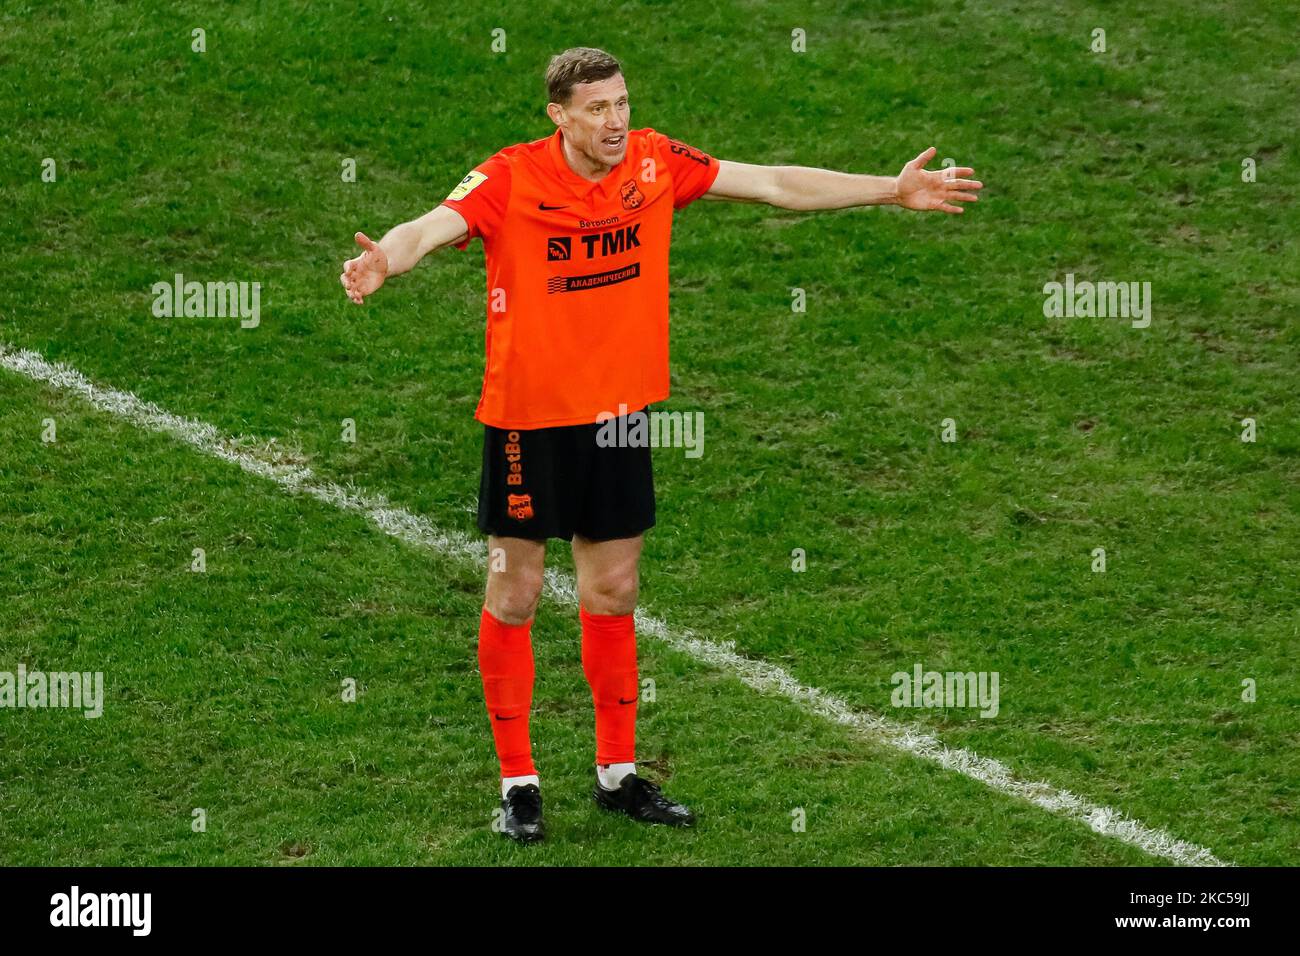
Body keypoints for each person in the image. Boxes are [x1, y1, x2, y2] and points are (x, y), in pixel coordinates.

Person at [340, 46, 982, 843]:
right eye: (599, 109)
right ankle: (519, 784)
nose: (616, 122)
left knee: (613, 592)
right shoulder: (511, 176)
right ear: (560, 115)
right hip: (527, 421)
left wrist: (892, 189)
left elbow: (774, 182)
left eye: (622, 104)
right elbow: (433, 226)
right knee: (516, 595)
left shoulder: (656, 162)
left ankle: (617, 774)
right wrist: (385, 262)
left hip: (618, 416)